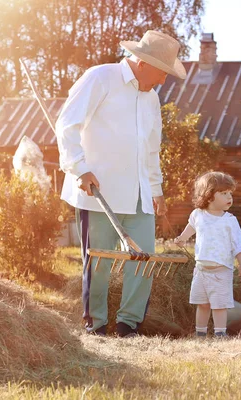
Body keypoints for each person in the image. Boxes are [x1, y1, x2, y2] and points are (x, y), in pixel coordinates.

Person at [55, 30, 187, 337]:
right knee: (98, 263)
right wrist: (79, 168)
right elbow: (67, 125)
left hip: (140, 194)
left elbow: (151, 148)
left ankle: (129, 325)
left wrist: (156, 188)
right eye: (161, 73)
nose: (163, 82)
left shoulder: (151, 97)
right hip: (99, 192)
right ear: (142, 62)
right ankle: (96, 324)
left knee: (143, 261)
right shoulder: (100, 78)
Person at [174, 171, 241, 338]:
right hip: (201, 270)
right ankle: (200, 333)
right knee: (202, 304)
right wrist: (182, 239)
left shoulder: (229, 220)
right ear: (208, 195)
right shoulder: (198, 215)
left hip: (221, 271)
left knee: (219, 305)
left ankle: (220, 333)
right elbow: (191, 227)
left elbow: (238, 244)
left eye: (230, 193)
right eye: (224, 193)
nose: (229, 197)